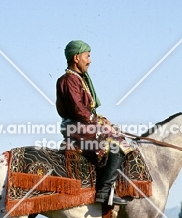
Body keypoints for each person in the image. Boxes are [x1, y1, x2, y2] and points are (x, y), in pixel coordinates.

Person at [56, 40, 135, 205]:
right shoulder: (69, 79)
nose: (90, 60)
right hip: (78, 128)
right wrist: (98, 123)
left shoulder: (78, 79)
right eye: (88, 56)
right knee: (119, 144)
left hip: (84, 125)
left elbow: (85, 109)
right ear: (76, 58)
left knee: (117, 133)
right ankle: (104, 191)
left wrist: (101, 120)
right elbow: (78, 109)